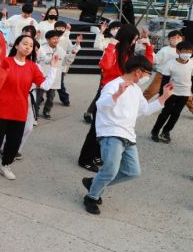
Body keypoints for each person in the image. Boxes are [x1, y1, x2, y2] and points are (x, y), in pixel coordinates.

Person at [82, 56, 173, 215]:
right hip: (111, 133)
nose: (147, 77)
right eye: (147, 73)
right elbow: (101, 106)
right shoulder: (113, 85)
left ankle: (94, 183)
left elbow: (144, 110)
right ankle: (91, 197)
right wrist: (117, 94)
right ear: (138, 72)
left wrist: (164, 97)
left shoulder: (136, 90)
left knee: (132, 171)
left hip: (128, 135)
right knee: (110, 170)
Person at [0, 35, 59, 182]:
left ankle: (5, 165)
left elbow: (45, 86)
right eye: (24, 43)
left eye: (30, 45)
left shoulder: (33, 67)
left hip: (19, 111)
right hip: (1, 109)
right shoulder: (5, 62)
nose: (28, 47)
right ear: (16, 45)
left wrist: (53, 67)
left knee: (14, 143)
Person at [78, 25, 153, 172]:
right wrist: (111, 44)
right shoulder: (113, 49)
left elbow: (147, 66)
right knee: (97, 128)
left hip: (124, 93)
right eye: (134, 39)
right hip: (109, 91)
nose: (135, 41)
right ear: (127, 37)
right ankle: (85, 159)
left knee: (111, 127)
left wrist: (148, 46)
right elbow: (105, 66)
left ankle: (98, 155)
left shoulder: (130, 54)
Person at [150, 40, 193, 143]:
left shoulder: (191, 63)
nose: (187, 54)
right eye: (184, 51)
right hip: (171, 93)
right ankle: (155, 131)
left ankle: (166, 132)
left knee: (176, 114)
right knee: (165, 113)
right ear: (178, 51)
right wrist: (162, 94)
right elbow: (165, 80)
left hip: (184, 93)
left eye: (190, 52)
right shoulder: (170, 64)